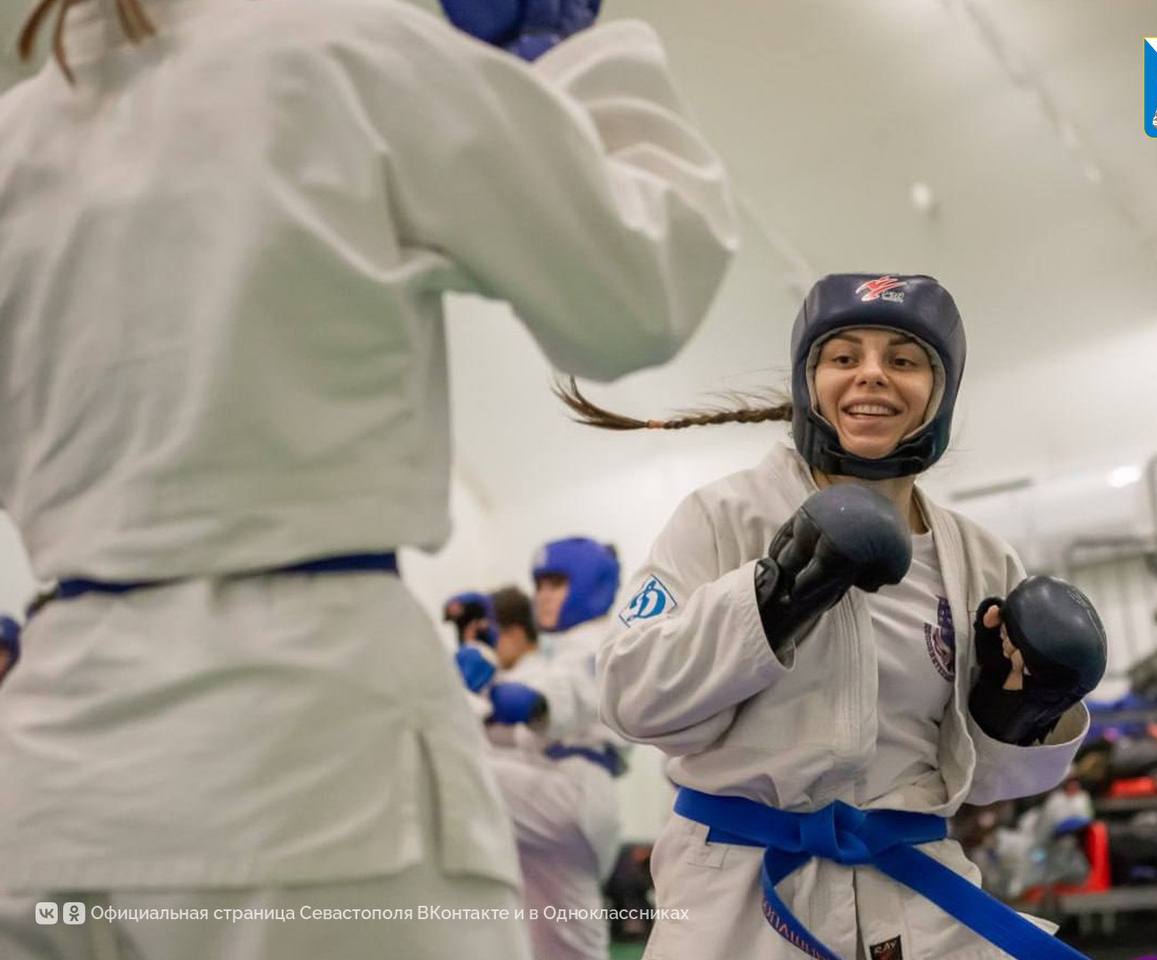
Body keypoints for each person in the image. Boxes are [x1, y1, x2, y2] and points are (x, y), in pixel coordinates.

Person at [0, 1, 738, 957]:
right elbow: (637, 289)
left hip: (53, 769)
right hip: (309, 759)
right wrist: (576, 61)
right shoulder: (349, 49)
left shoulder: (17, 137)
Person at [577, 274, 1106, 959]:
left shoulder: (978, 558)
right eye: (844, 357)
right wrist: (772, 599)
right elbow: (629, 697)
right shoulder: (724, 516)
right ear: (811, 381)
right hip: (739, 900)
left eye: (904, 360)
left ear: (940, 391)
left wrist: (1025, 714)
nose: (872, 375)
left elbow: (992, 784)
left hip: (913, 891)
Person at [452, 544, 627, 960]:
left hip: (573, 791)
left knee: (453, 767)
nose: (544, 596)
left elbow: (561, 694)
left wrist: (497, 691)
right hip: (563, 791)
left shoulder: (604, 642)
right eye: (540, 585)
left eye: (557, 583)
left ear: (592, 584)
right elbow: (516, 729)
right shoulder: (565, 648)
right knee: (561, 942)